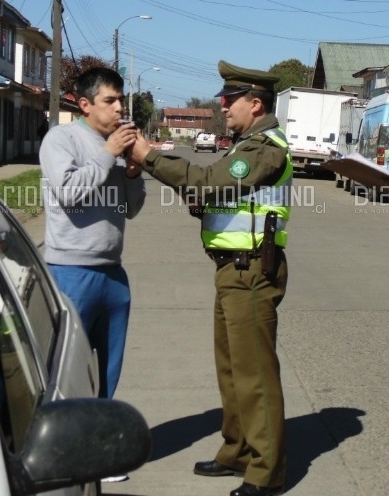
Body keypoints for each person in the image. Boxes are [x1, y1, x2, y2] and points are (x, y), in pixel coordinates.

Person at [129, 60, 291, 496]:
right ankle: (237, 449)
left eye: (231, 99)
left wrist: (149, 157)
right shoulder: (245, 143)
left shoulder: (265, 147)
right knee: (231, 369)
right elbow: (215, 192)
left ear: (255, 104)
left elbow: (205, 178)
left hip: (253, 269)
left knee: (254, 373)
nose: (224, 105)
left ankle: (266, 470)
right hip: (233, 268)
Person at [39, 67, 146, 404]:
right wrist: (108, 153)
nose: (119, 109)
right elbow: (69, 192)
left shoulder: (115, 145)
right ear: (85, 104)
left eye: (119, 101)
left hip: (113, 275)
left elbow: (132, 208)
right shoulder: (61, 140)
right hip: (70, 274)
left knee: (109, 372)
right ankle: (62, 443)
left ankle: (101, 438)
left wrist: (132, 173)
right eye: (109, 101)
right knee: (65, 370)